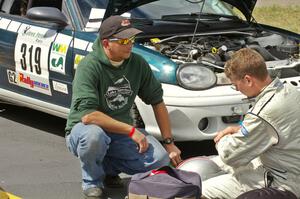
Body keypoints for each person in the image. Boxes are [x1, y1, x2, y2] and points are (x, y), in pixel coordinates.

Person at [65, 15, 182, 199]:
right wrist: (130, 130)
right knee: (94, 137)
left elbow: (157, 101)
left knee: (160, 159)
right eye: (124, 40)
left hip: (119, 133)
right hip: (85, 130)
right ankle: (92, 181)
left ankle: (109, 170)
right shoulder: (89, 66)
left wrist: (169, 143)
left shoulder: (137, 63)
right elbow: (88, 116)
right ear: (106, 43)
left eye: (132, 39)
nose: (130, 44)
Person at [200, 48, 300, 199]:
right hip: (290, 168)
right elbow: (277, 127)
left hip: (284, 182)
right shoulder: (290, 91)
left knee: (200, 189)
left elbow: (230, 155)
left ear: (248, 79)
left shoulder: (264, 112)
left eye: (236, 85)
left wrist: (222, 139)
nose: (237, 90)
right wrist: (239, 129)